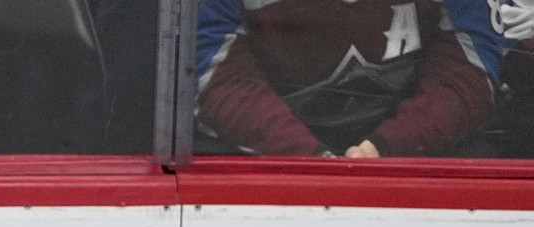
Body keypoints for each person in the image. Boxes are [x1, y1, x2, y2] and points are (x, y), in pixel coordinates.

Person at [196, 0, 508, 157]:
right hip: (269, 156)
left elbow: (470, 72)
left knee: (482, 157)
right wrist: (307, 157)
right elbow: (214, 76)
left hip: (403, 148)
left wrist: (386, 147)